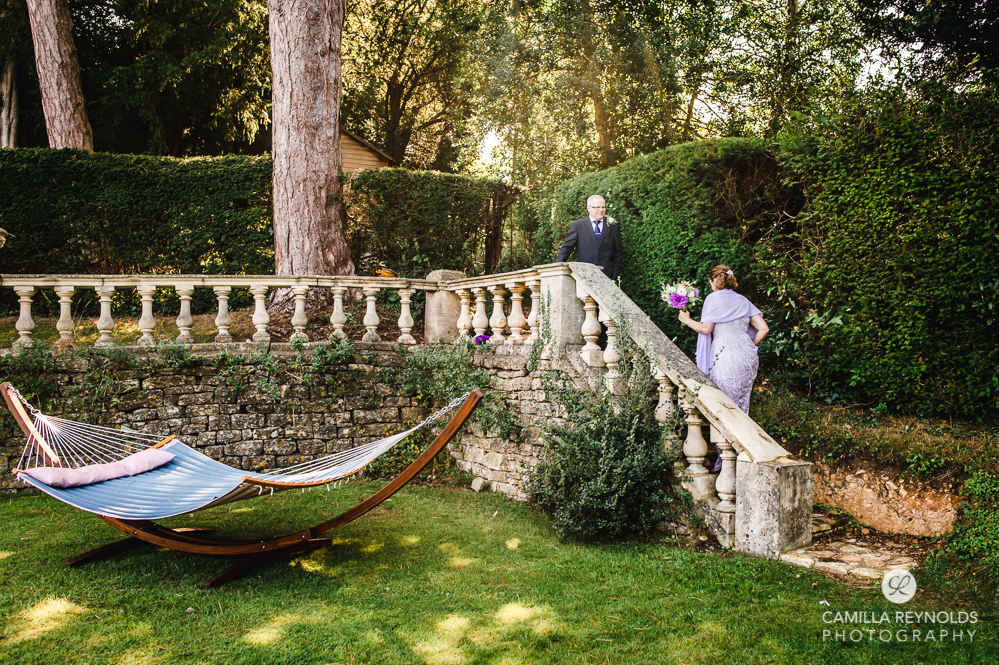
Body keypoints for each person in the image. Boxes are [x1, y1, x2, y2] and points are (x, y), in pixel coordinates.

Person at [678, 265, 769, 415]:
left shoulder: (713, 299)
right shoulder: (743, 300)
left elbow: (706, 328)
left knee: (724, 402)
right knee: (741, 402)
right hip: (747, 355)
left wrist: (687, 320)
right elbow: (764, 328)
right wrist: (747, 345)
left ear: (714, 280)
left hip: (725, 355)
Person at [555, 194, 624, 280]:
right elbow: (566, 249)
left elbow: (618, 252)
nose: (601, 210)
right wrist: (557, 271)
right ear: (589, 208)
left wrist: (614, 275)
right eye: (597, 207)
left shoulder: (612, 226)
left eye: (603, 207)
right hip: (584, 276)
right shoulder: (578, 226)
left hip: (607, 276)